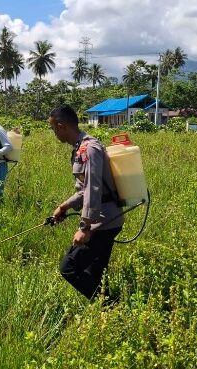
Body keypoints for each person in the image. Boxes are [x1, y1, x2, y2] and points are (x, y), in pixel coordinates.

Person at [48, 104, 123, 301]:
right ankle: (106, 310)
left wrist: (85, 227)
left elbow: (93, 190)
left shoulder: (89, 149)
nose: (53, 133)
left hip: (104, 221)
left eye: (53, 128)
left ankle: (109, 305)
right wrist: (64, 206)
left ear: (61, 125)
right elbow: (84, 190)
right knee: (94, 271)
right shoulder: (80, 147)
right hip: (108, 218)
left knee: (69, 268)